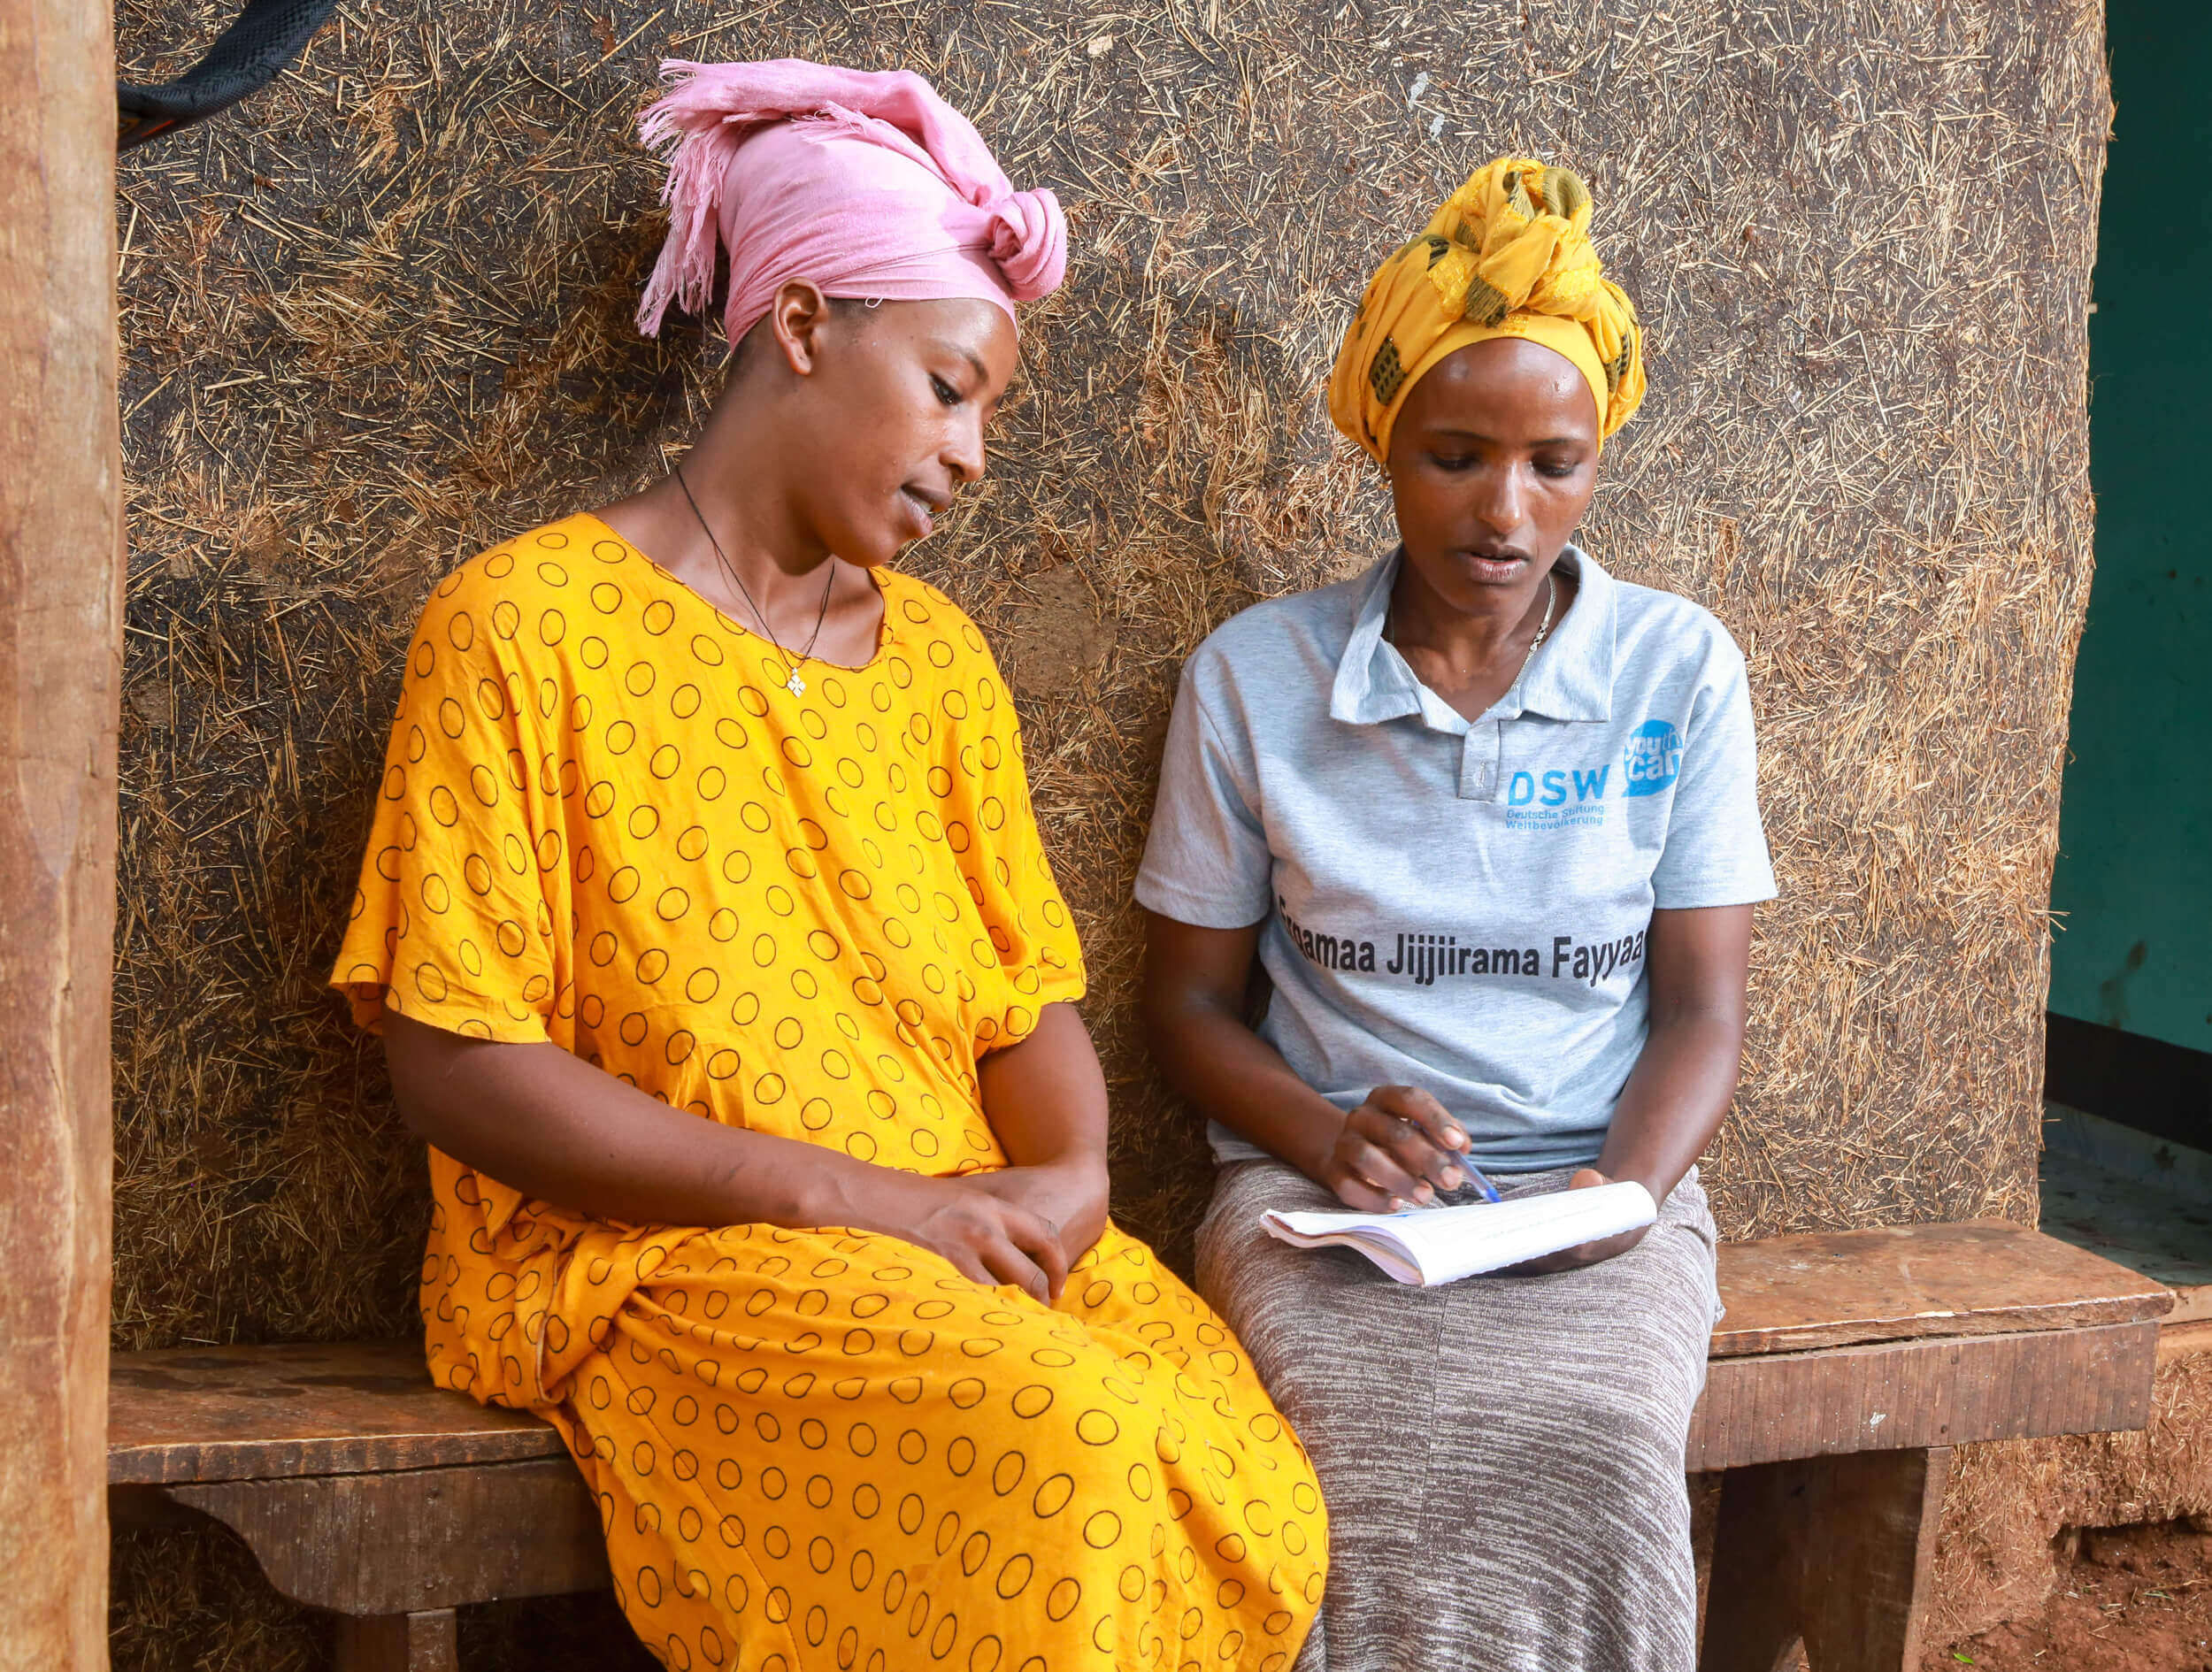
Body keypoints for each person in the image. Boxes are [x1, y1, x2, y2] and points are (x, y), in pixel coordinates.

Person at [332, 59, 1323, 1672]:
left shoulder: (940, 666)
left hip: (947, 1240)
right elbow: (454, 1061)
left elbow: (1025, 1010)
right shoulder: (520, 628)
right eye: (950, 386)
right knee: (1057, 1459)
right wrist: (855, 1204)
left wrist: (1070, 1184)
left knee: (1232, 1461)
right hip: (669, 1256)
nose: (977, 451)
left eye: (991, 406)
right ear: (800, 325)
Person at [1136, 159, 1776, 1672]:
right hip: (1327, 1206)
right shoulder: (1254, 680)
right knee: (1341, 1452)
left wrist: (1612, 1200)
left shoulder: (1676, 673)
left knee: (1603, 1441)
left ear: (1601, 457)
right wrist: (1325, 1133)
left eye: (1557, 461)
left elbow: (1702, 1013)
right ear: (1382, 448)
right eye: (1454, 455)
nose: (1506, 510)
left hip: (1603, 1199)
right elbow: (1184, 1010)